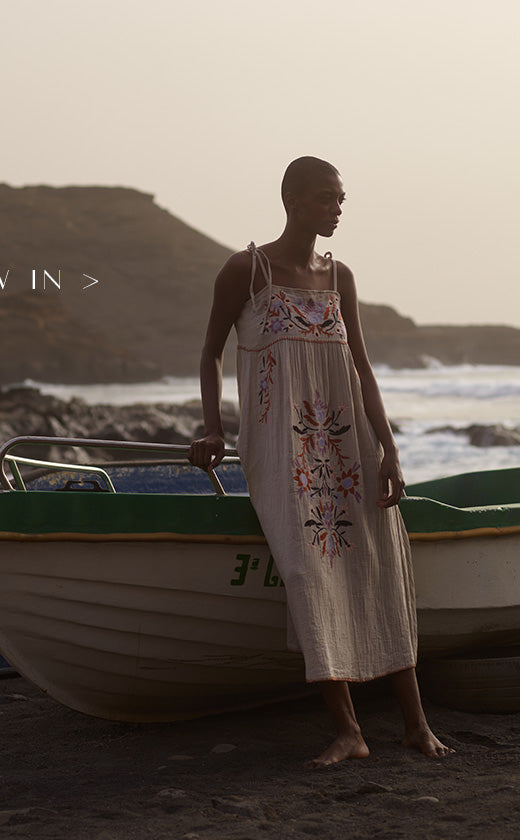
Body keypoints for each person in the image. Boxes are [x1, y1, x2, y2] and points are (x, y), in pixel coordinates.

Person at [187, 156, 454, 766]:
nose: (337, 207)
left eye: (340, 198)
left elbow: (362, 368)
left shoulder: (340, 278)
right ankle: (349, 731)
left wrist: (388, 448)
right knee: (309, 572)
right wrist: (212, 427)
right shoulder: (247, 269)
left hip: (350, 443)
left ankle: (415, 724)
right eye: (326, 198)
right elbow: (209, 354)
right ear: (292, 200)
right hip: (282, 448)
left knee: (380, 567)